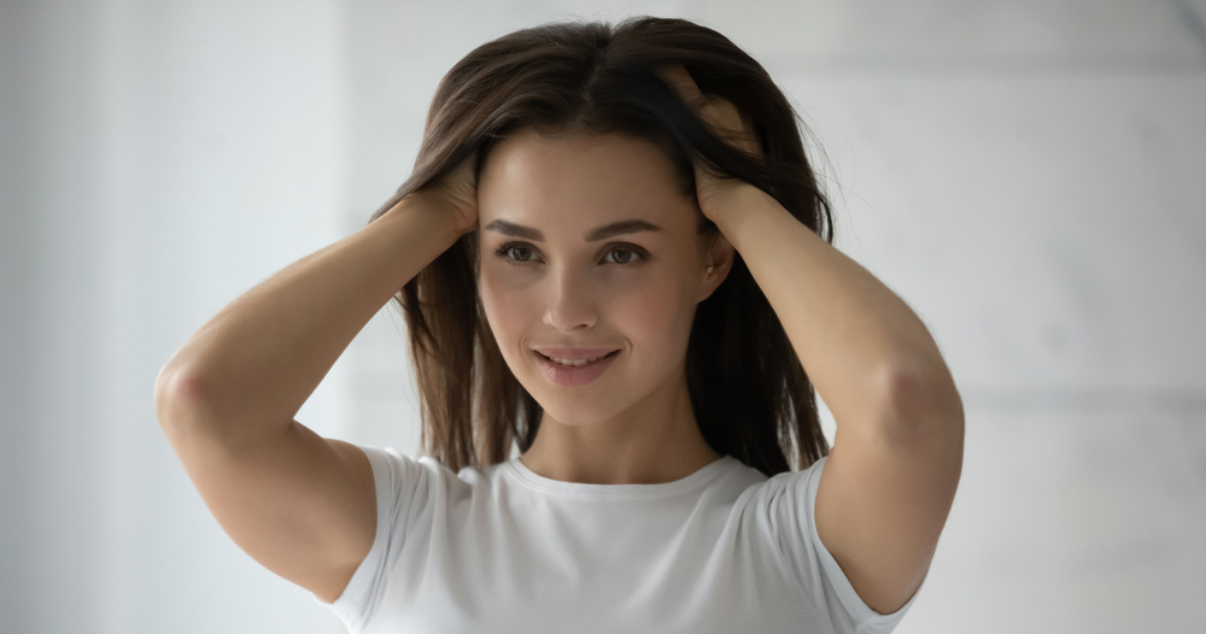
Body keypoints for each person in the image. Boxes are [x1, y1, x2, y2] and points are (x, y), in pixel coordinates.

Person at [154, 15, 964, 634]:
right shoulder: (407, 535)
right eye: (518, 251)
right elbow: (203, 401)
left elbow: (903, 397)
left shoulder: (804, 551)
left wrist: (733, 192)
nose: (565, 310)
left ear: (713, 260)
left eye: (620, 254)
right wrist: (436, 205)